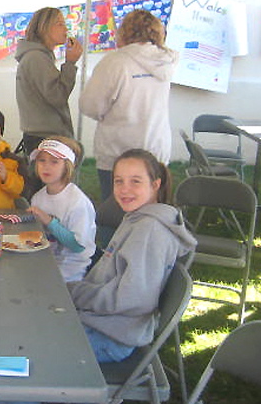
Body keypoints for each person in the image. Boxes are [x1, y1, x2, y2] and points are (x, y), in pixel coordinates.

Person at [68, 149, 196, 363]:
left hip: (111, 337)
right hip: (100, 320)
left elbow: (132, 299)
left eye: (135, 181)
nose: (124, 189)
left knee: (31, 356)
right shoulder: (137, 217)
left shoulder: (149, 230)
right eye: (119, 181)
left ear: (155, 184)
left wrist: (73, 294)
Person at [79, 9, 179, 201]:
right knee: (152, 211)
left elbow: (90, 105)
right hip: (156, 147)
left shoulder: (115, 62)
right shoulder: (165, 61)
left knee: (117, 213)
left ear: (124, 32)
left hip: (119, 152)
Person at [15, 7, 83, 155]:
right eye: (59, 24)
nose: (65, 28)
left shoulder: (39, 56)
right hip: (44, 137)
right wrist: (70, 64)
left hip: (42, 135)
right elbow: (57, 97)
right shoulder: (36, 58)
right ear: (43, 28)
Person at [27, 137, 96, 282]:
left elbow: (78, 246)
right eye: (42, 160)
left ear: (67, 166)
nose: (46, 167)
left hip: (71, 269)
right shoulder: (38, 198)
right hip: (44, 261)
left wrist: (50, 222)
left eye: (54, 161)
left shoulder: (77, 202)